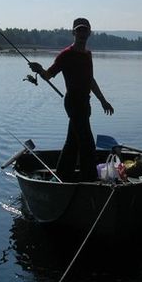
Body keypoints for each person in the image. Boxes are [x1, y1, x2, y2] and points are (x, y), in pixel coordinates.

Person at [29, 17, 114, 182]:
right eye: (79, 30)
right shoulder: (66, 55)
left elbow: (90, 80)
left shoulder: (88, 55)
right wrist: (39, 70)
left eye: (85, 30)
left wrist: (103, 100)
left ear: (89, 32)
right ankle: (89, 180)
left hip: (85, 103)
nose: (82, 33)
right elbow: (49, 74)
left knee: (73, 143)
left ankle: (62, 175)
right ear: (73, 32)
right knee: (87, 143)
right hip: (73, 103)